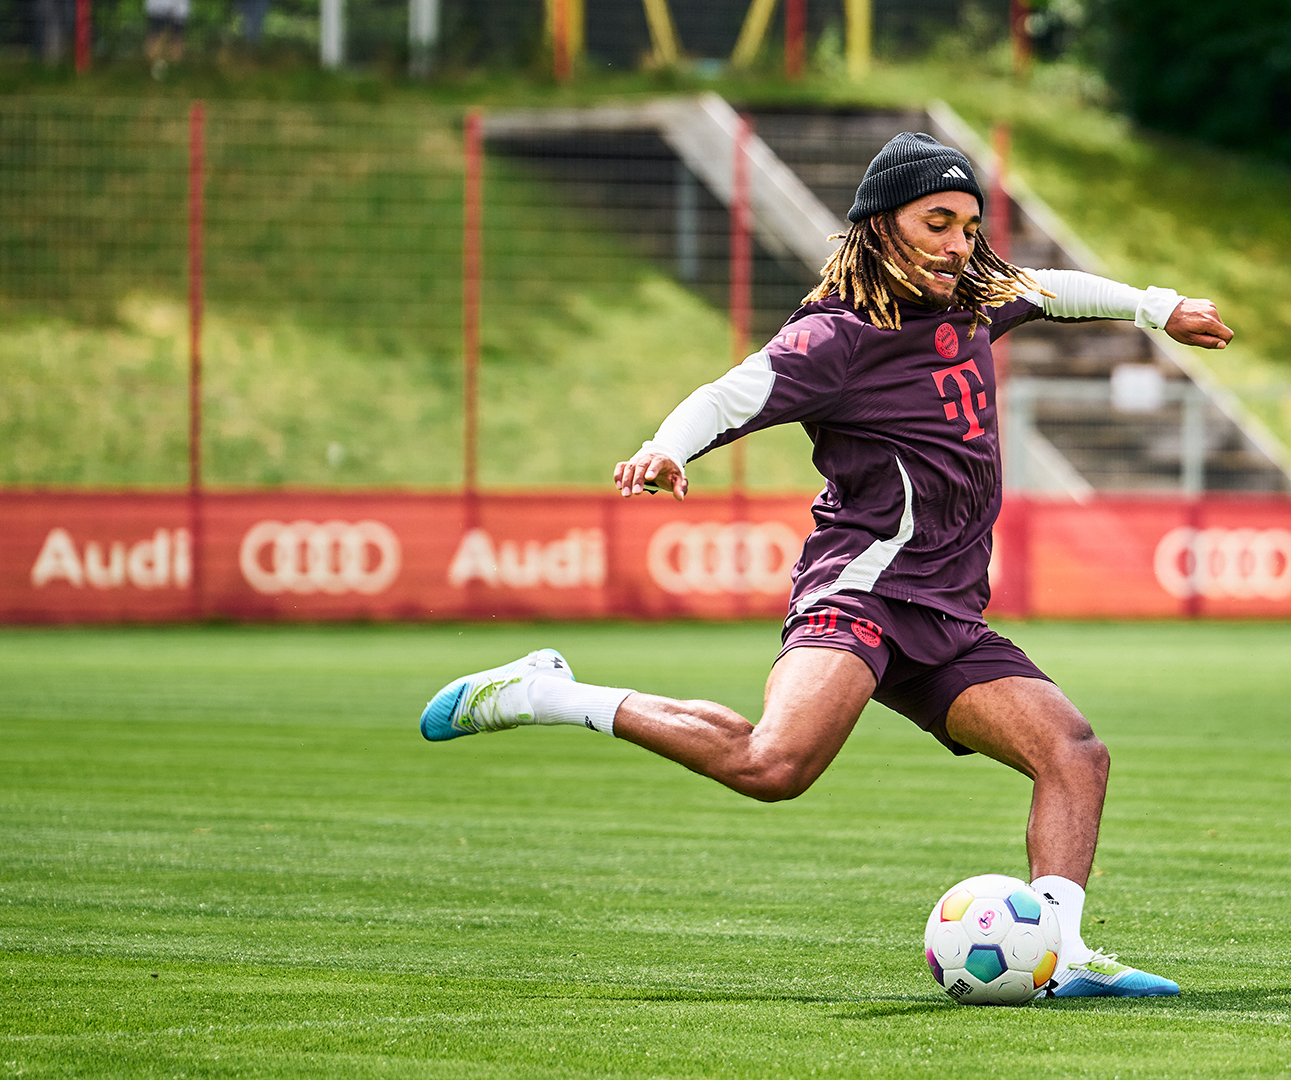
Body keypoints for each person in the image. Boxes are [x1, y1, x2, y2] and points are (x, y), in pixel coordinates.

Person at [419, 132, 1234, 999]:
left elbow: (1053, 288)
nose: (958, 244)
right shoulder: (835, 339)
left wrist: (1159, 307)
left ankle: (1060, 955)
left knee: (1076, 753)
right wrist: (665, 447)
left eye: (967, 225)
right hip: (863, 592)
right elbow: (731, 395)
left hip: (948, 614)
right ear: (882, 228)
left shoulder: (973, 297)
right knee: (775, 766)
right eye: (937, 224)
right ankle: (549, 692)